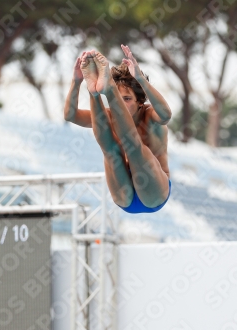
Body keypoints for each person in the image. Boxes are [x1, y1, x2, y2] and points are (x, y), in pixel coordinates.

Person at [63, 44, 172, 214]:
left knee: (133, 145)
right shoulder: (108, 116)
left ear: (140, 102)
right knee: (110, 150)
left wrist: (140, 79)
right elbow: (71, 115)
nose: (121, 104)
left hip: (154, 194)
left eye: (127, 98)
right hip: (124, 195)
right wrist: (76, 82)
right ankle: (94, 91)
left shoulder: (150, 115)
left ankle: (109, 89)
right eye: (119, 99)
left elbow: (166, 115)